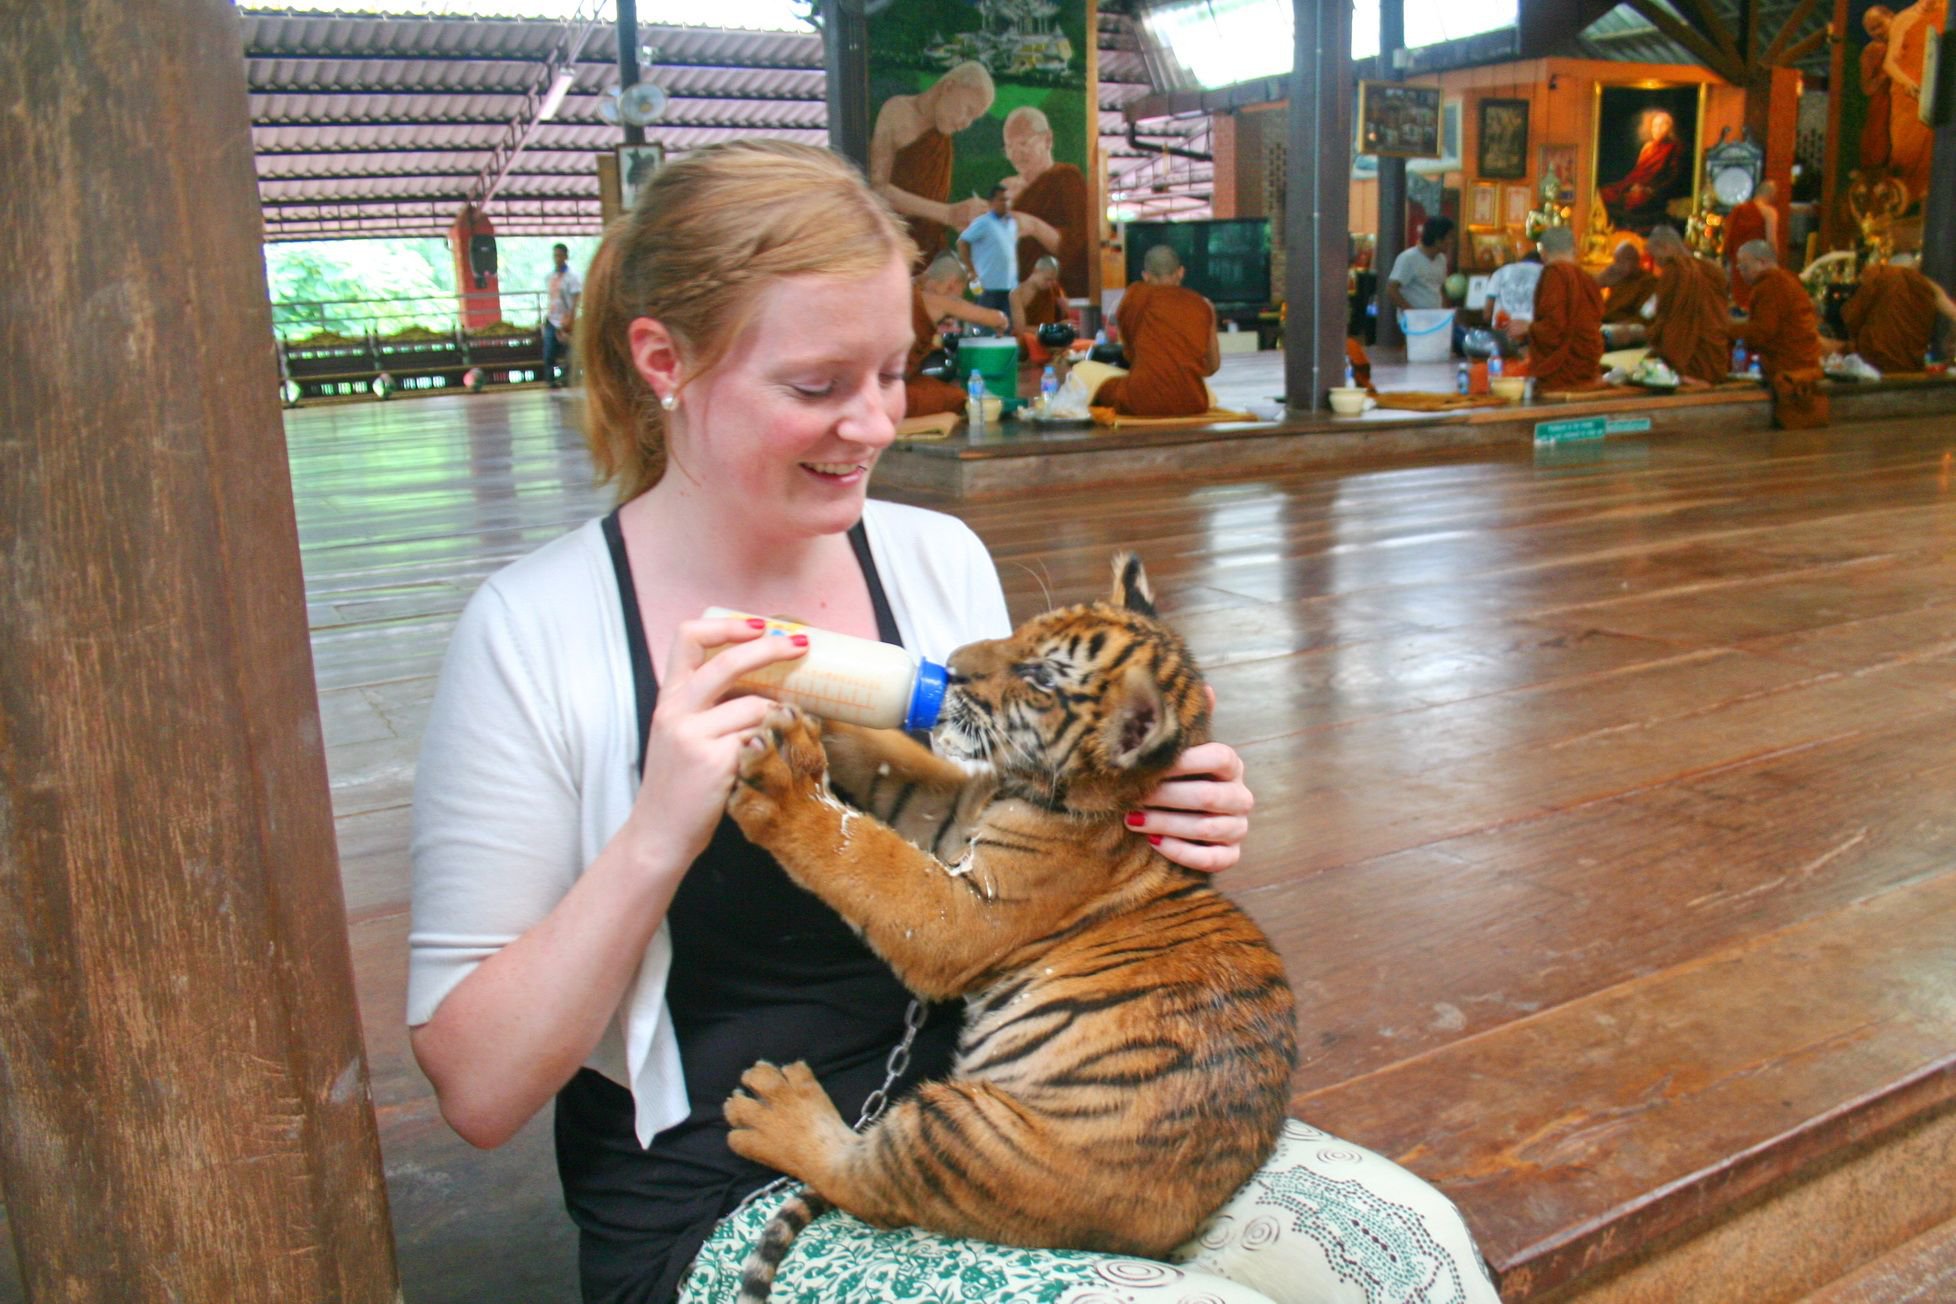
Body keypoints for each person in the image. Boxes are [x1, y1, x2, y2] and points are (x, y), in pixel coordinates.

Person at [405, 140, 1290, 1304]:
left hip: (994, 1119)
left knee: (1407, 1251)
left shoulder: (934, 558)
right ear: (663, 360)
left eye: (892, 370)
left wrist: (1137, 809)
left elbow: (1002, 865)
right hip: (721, 1190)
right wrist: (657, 831)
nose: (875, 423)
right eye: (818, 387)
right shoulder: (534, 628)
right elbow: (476, 1086)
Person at [868, 61, 996, 269]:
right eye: (968, 110)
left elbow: (936, 212)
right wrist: (947, 213)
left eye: (973, 119)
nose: (965, 124)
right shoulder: (898, 111)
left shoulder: (942, 136)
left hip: (932, 257)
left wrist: (963, 219)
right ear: (948, 87)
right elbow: (876, 190)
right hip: (892, 253)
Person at [1092, 245, 1220, 417]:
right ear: (1181, 272)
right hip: (1192, 402)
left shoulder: (1135, 296)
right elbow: (1212, 366)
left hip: (1142, 401)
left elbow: (1130, 356)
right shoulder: (1203, 306)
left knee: (1095, 383)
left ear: (1146, 276)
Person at [1731, 238, 1830, 428]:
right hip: (1805, 361)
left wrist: (1728, 330)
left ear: (1762, 263)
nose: (1741, 272)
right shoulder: (1789, 280)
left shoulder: (1771, 285)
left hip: (1789, 368)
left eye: (1744, 266)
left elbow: (1761, 333)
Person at [1001, 105, 1090, 299]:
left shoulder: (1066, 178)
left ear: (1047, 140)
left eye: (1023, 143)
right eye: (1009, 147)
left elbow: (1079, 248)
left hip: (1056, 297)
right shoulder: (1006, 189)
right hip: (1015, 296)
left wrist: (1034, 226)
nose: (1016, 155)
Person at [906, 254, 1008, 418]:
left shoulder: (905, 287)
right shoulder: (932, 299)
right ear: (950, 286)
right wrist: (1001, 323)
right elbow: (994, 318)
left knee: (941, 391)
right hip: (885, 389)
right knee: (956, 398)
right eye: (957, 295)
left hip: (887, 380)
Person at [1515, 226, 1604, 391]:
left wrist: (1527, 327)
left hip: (1561, 373)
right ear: (1575, 249)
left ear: (1543, 253)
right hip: (1588, 365)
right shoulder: (1587, 278)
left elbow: (1554, 328)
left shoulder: (1554, 274)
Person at [1644, 224, 1732, 388]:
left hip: (1687, 351)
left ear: (1665, 247)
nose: (1656, 263)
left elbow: (1663, 312)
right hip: (1713, 345)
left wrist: (1649, 332)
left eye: (1654, 256)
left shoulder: (1675, 270)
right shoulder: (1712, 269)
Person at [1837, 254, 1956, 374]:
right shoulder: (1914, 284)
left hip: (1881, 362)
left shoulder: (1896, 279)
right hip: (1904, 365)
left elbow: (1850, 318)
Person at [1600, 108, 1687, 234]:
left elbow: (1673, 178)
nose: (1656, 129)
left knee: (1636, 201)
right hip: (1632, 186)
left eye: (1661, 125)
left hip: (1652, 191)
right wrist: (1631, 186)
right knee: (1604, 193)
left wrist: (1650, 189)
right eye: (1654, 126)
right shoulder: (1648, 147)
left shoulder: (1675, 148)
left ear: (1669, 128)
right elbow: (1637, 173)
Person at [957, 183, 1027, 321]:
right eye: (1002, 200)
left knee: (1007, 327)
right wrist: (971, 270)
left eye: (1008, 199)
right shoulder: (983, 222)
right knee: (986, 327)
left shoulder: (1012, 224)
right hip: (987, 286)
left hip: (1010, 287)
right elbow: (962, 242)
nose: (1006, 203)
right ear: (991, 203)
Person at [1722, 180, 1778, 310]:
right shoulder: (1768, 212)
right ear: (1771, 194)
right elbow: (1771, 241)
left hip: (1738, 263)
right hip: (1759, 262)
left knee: (1740, 301)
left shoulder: (1738, 210)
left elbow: (1728, 237)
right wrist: (1774, 263)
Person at [1387, 216, 1453, 314]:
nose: (1451, 241)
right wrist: (1412, 313)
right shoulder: (1409, 258)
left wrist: (1444, 312)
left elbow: (1441, 288)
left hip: (1435, 318)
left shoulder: (1441, 259)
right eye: (1449, 237)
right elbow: (1391, 289)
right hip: (1414, 322)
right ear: (1438, 239)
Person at [1596, 241, 1659, 343]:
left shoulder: (1649, 282)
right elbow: (1606, 309)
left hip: (1630, 330)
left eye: (1622, 261)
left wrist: (1623, 325)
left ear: (1635, 261)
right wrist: (1599, 282)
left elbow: (1646, 317)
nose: (1617, 266)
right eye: (1616, 261)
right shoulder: (1618, 279)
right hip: (1607, 325)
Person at [1482, 247, 1543, 349]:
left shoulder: (1500, 272)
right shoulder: (1546, 272)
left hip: (1503, 332)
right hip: (1534, 333)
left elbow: (1487, 314)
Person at [1859, 7, 1896, 171]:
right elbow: (1867, 88)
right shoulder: (1871, 51)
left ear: (1892, 17)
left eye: (1880, 25)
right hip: (1884, 107)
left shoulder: (1909, 37)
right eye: (1871, 29)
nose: (1877, 32)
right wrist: (1886, 73)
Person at [543, 242, 581, 389]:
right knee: (549, 352)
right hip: (552, 319)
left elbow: (576, 297)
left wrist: (571, 317)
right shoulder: (550, 277)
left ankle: (569, 379)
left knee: (569, 352)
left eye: (559, 255)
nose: (557, 258)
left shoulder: (572, 277)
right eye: (555, 255)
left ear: (565, 256)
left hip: (566, 319)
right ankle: (551, 381)